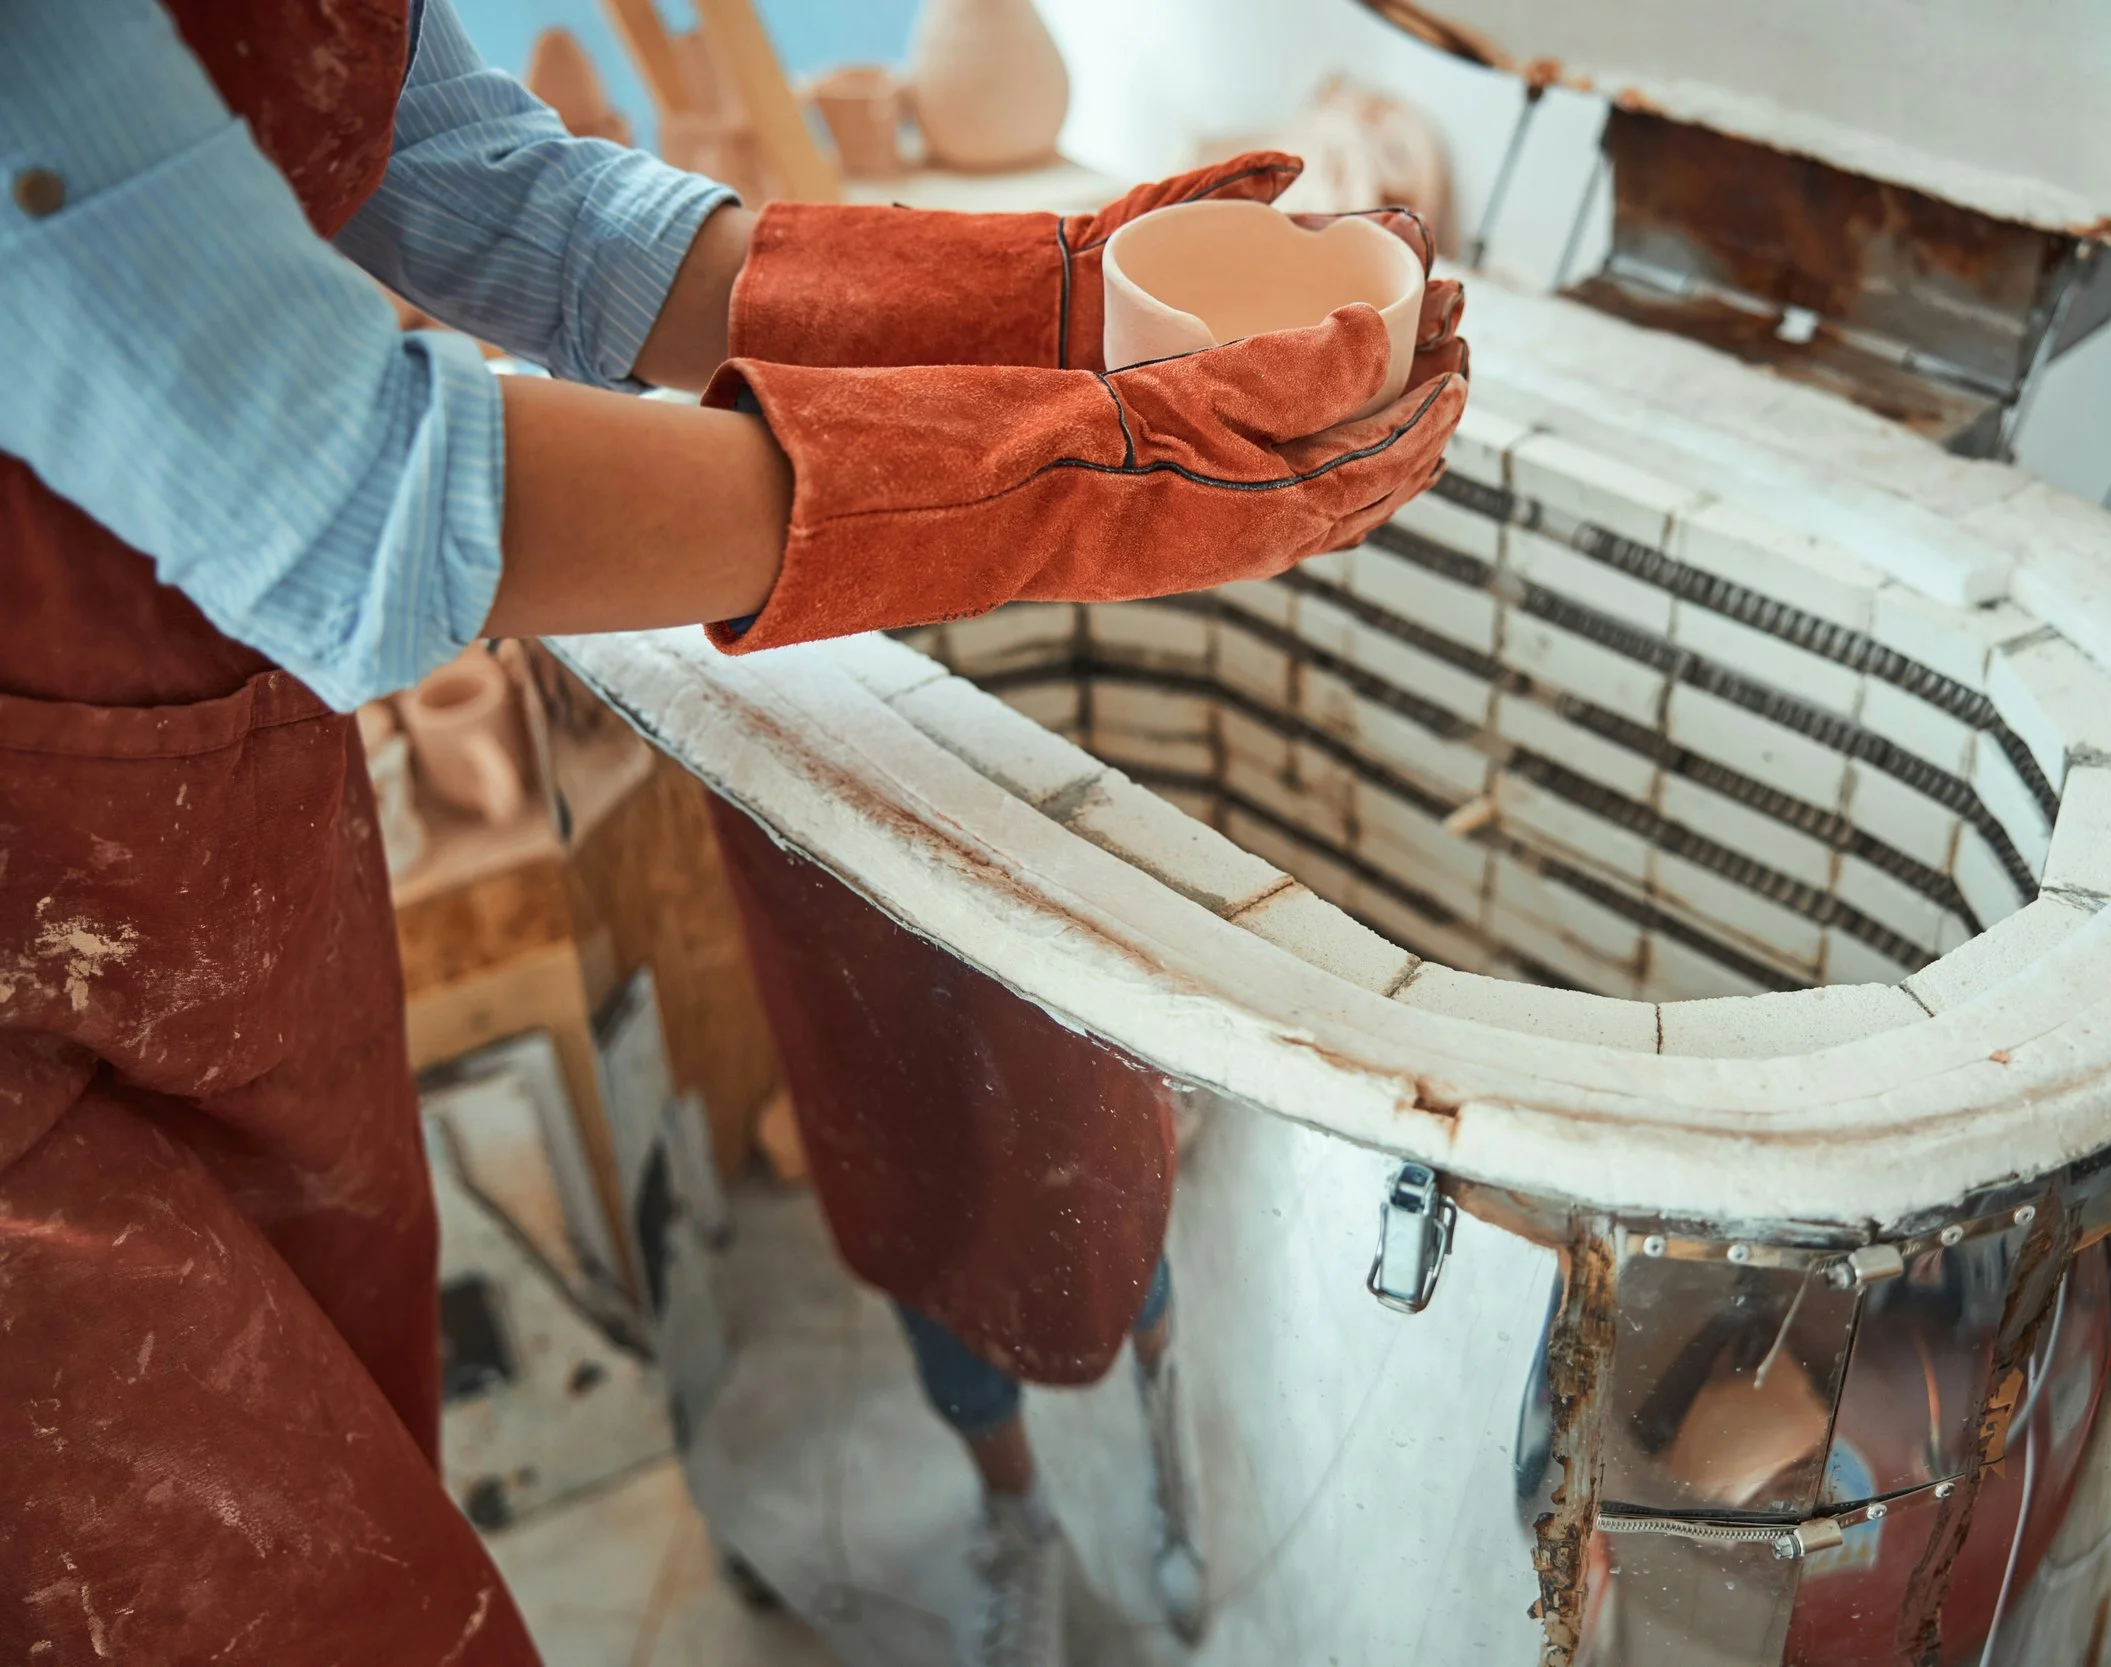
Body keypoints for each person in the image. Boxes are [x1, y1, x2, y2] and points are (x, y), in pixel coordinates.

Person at [0, 2, 1467, 1663]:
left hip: (212, 792)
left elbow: (500, 195)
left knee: (348, 1394)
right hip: (29, 948)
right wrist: (1081, 475)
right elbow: (360, 506)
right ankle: (1011, 1514)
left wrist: (1053, 304)